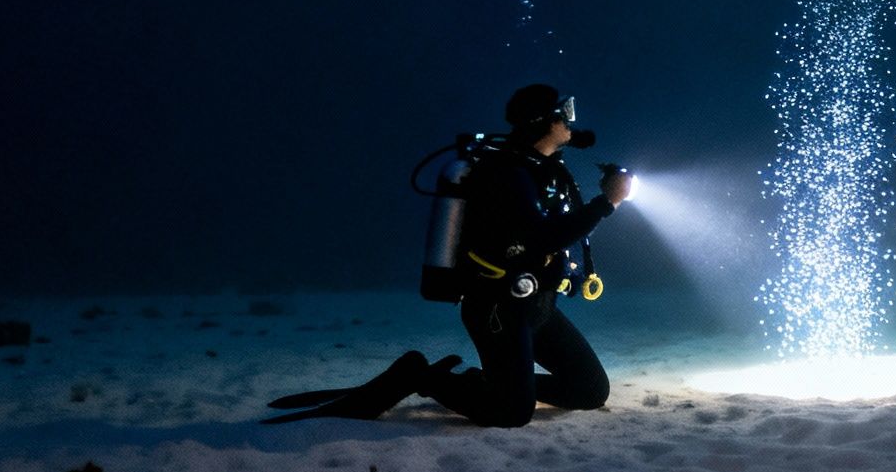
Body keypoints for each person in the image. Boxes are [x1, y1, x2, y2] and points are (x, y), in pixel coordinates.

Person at [263, 84, 630, 427]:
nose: (569, 121)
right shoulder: (507, 174)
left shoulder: (546, 169)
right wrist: (608, 202)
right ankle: (420, 375)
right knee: (512, 412)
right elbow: (543, 237)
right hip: (499, 307)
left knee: (590, 390)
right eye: (563, 113)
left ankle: (496, 381)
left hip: (540, 305)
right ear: (544, 122)